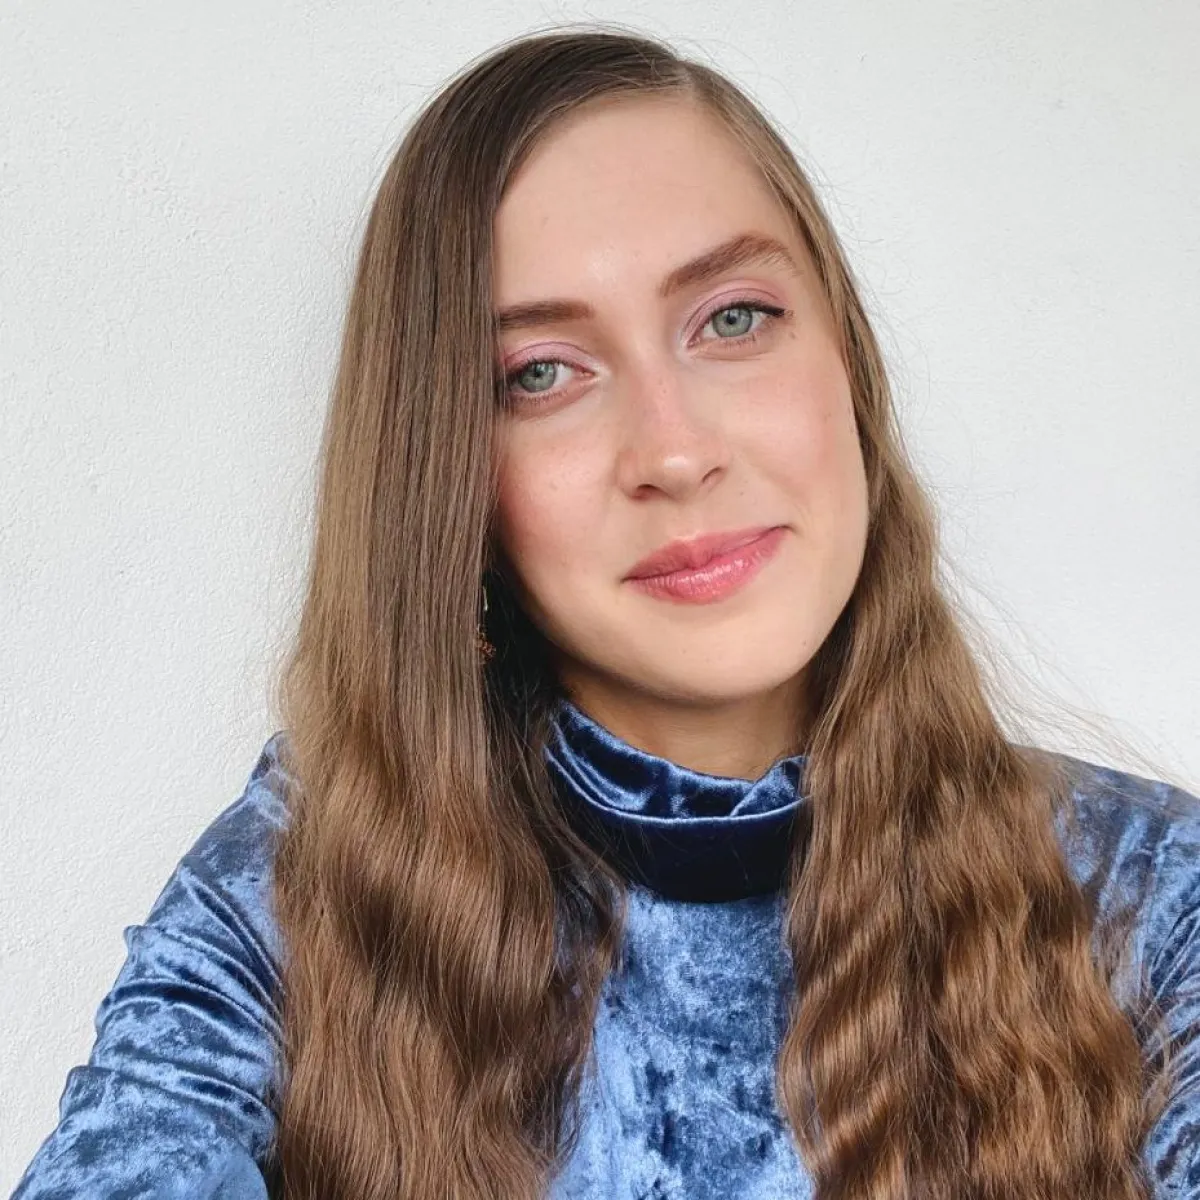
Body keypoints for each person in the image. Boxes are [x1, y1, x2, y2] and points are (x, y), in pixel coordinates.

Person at [11, 25, 1199, 1200]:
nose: (675, 453)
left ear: (851, 365)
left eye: (733, 317)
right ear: (449, 483)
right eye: (540, 374)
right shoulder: (302, 893)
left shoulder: (1156, 898)